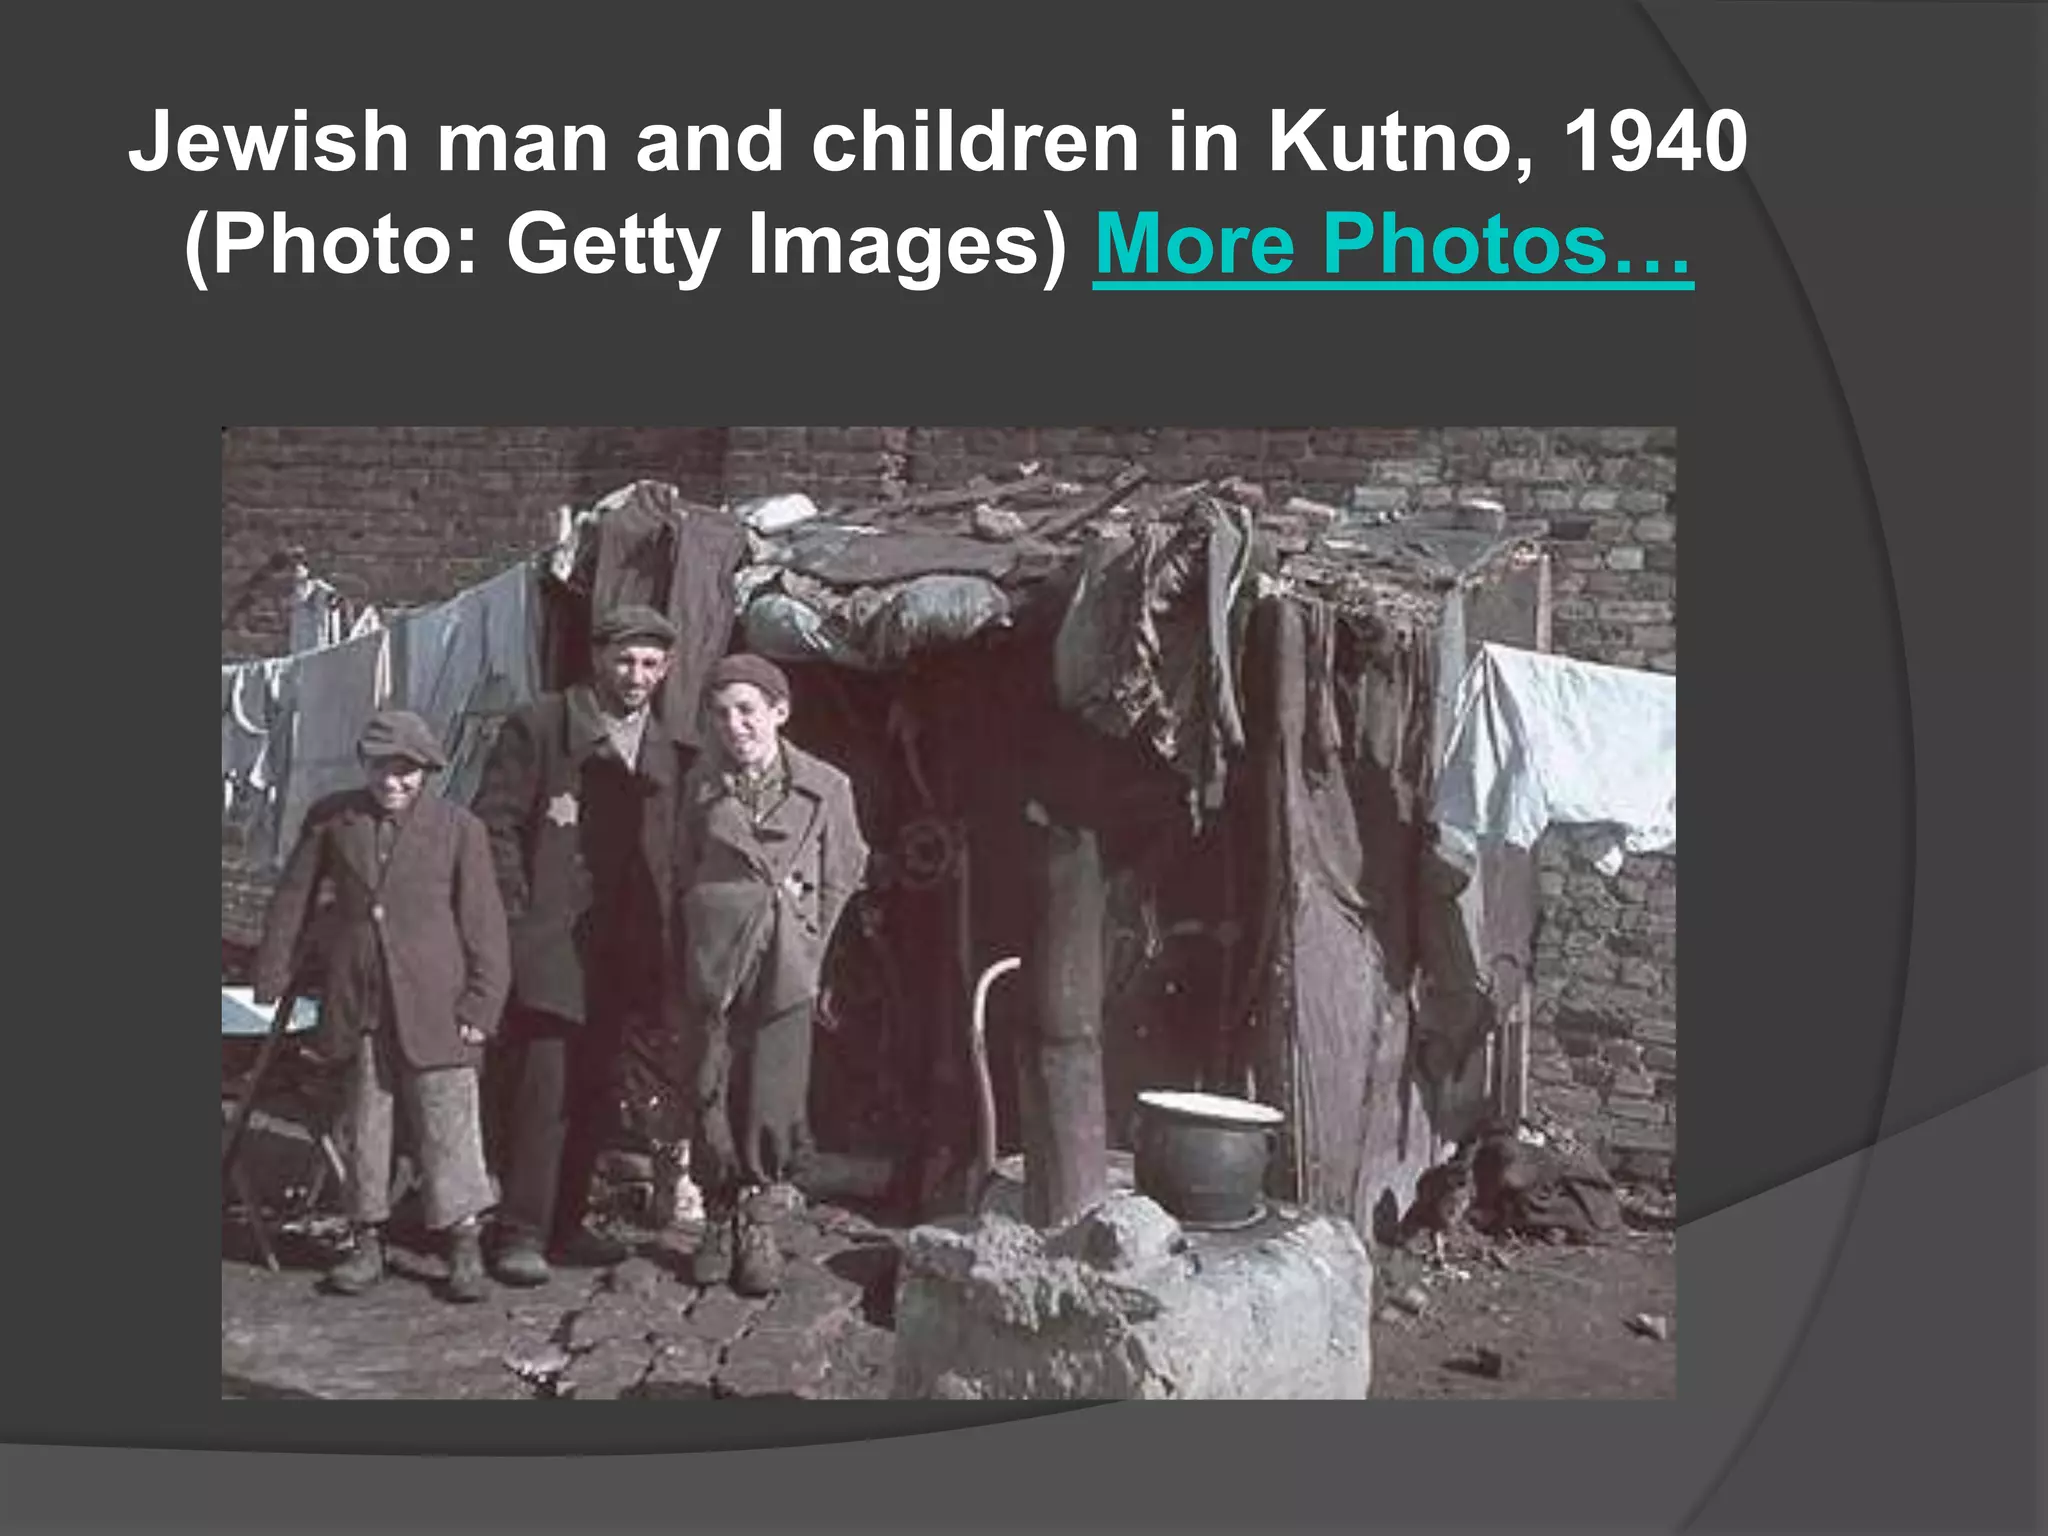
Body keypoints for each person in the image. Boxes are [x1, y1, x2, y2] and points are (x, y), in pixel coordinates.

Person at [252, 710, 509, 1303]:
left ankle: (463, 1242)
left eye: (406, 772)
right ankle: (366, 1239)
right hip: (360, 1000)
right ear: (363, 768)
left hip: (440, 1005)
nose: (391, 783)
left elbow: (485, 926)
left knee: (448, 1122)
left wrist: (481, 1002)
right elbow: (294, 897)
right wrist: (273, 975)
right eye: (380, 770)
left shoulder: (458, 829)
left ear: (428, 771)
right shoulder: (335, 819)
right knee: (366, 1122)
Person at [472, 604, 696, 1287]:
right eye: (624, 660)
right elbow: (495, 824)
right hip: (551, 940)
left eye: (651, 664)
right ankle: (520, 1230)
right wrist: (518, 917)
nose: (636, 676)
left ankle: (568, 1224)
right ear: (598, 658)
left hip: (623, 945)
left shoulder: (666, 749)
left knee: (595, 1087)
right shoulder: (540, 726)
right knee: (544, 1086)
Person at [676, 654, 870, 1295]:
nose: (735, 726)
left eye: (748, 711)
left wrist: (810, 939)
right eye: (722, 713)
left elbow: (844, 869)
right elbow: (682, 868)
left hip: (787, 960)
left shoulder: (825, 787)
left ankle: (757, 1219)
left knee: (773, 1094)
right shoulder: (700, 787)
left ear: (779, 713)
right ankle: (718, 1217)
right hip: (716, 960)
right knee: (711, 1083)